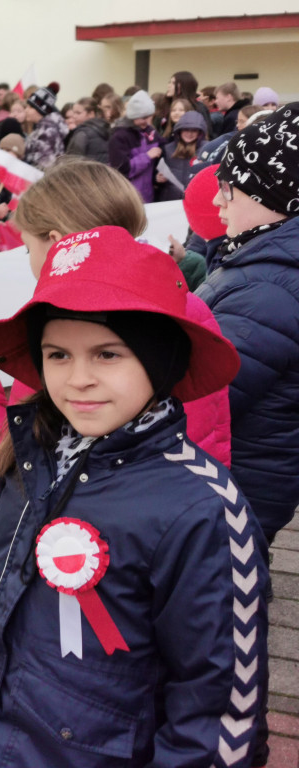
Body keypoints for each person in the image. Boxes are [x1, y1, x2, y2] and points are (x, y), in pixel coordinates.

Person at [0, 225, 266, 768]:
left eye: (107, 354)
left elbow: (218, 709)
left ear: (161, 361)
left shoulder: (201, 510)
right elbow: (11, 566)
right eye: (57, 355)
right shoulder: (36, 455)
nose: (77, 378)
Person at [0, 158, 232, 468]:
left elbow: (18, 469)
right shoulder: (188, 306)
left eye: (29, 249)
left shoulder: (64, 329)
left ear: (56, 244)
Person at [195, 102, 299, 545]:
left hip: (230, 493)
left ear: (274, 193)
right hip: (247, 486)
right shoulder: (266, 261)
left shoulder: (269, 291)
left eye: (229, 188)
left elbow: (192, 394)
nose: (217, 200)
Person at [109, 90, 162, 203]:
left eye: (149, 117)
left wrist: (157, 178)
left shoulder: (151, 132)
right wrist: (147, 156)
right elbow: (122, 169)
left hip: (148, 195)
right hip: (127, 197)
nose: (146, 122)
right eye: (142, 118)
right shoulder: (119, 137)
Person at [155, 110, 207, 202]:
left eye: (194, 130)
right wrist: (157, 178)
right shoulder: (167, 149)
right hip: (170, 200)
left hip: (196, 199)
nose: (189, 134)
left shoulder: (207, 149)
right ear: (179, 130)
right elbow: (155, 174)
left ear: (200, 132)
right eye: (186, 129)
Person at [23, 83, 68, 170]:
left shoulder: (48, 132)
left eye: (30, 108)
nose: (26, 110)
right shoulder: (43, 128)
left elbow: (44, 167)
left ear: (41, 110)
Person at [64, 97, 109, 163]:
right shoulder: (106, 129)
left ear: (91, 114)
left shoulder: (82, 134)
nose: (74, 116)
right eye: (74, 113)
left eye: (78, 113)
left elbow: (72, 162)